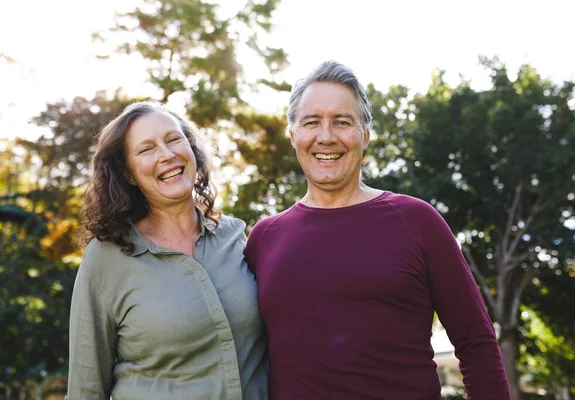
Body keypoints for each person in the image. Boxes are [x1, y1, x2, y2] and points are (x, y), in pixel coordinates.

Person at [245, 61, 510, 399]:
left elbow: (477, 344)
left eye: (342, 122)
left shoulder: (417, 221)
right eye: (312, 122)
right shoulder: (264, 238)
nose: (326, 137)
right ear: (294, 134)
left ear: (364, 136)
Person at [67, 102, 268, 400]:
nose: (167, 154)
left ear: (192, 151)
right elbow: (86, 388)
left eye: (174, 139)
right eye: (146, 149)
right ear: (129, 174)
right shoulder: (106, 258)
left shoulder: (234, 236)